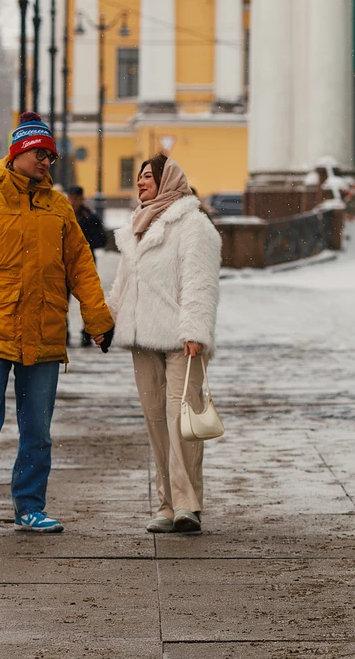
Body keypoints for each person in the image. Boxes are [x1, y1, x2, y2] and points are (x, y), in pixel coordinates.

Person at [0, 113, 115, 535]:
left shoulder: (60, 207)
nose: (47, 161)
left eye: (50, 155)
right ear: (17, 155)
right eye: (39, 154)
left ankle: (29, 506)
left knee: (38, 428)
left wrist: (97, 319)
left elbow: (81, 266)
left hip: (46, 331)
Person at [109, 152, 221, 535]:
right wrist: (106, 321)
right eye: (139, 177)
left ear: (167, 180)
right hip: (142, 338)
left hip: (180, 340)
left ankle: (188, 505)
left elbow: (200, 282)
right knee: (157, 423)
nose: (141, 182)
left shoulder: (193, 225)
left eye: (148, 176)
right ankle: (165, 503)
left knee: (181, 422)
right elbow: (124, 285)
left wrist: (195, 332)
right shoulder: (137, 226)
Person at [65, 185, 107, 348]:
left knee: (87, 298)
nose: (73, 201)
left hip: (85, 262)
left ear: (81, 199)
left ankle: (86, 332)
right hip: (64, 262)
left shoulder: (89, 216)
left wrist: (85, 245)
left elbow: (101, 239)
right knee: (62, 299)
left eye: (76, 198)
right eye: (71, 197)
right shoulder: (63, 213)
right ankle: (64, 331)